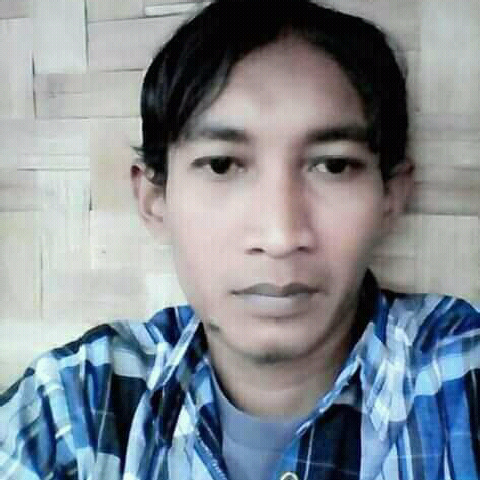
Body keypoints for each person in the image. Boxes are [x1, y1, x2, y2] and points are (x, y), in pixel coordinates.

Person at [1, 0, 479, 478]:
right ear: (154, 199)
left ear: (390, 196)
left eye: (333, 166)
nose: (280, 236)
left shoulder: (461, 380)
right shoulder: (79, 407)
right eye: (222, 165)